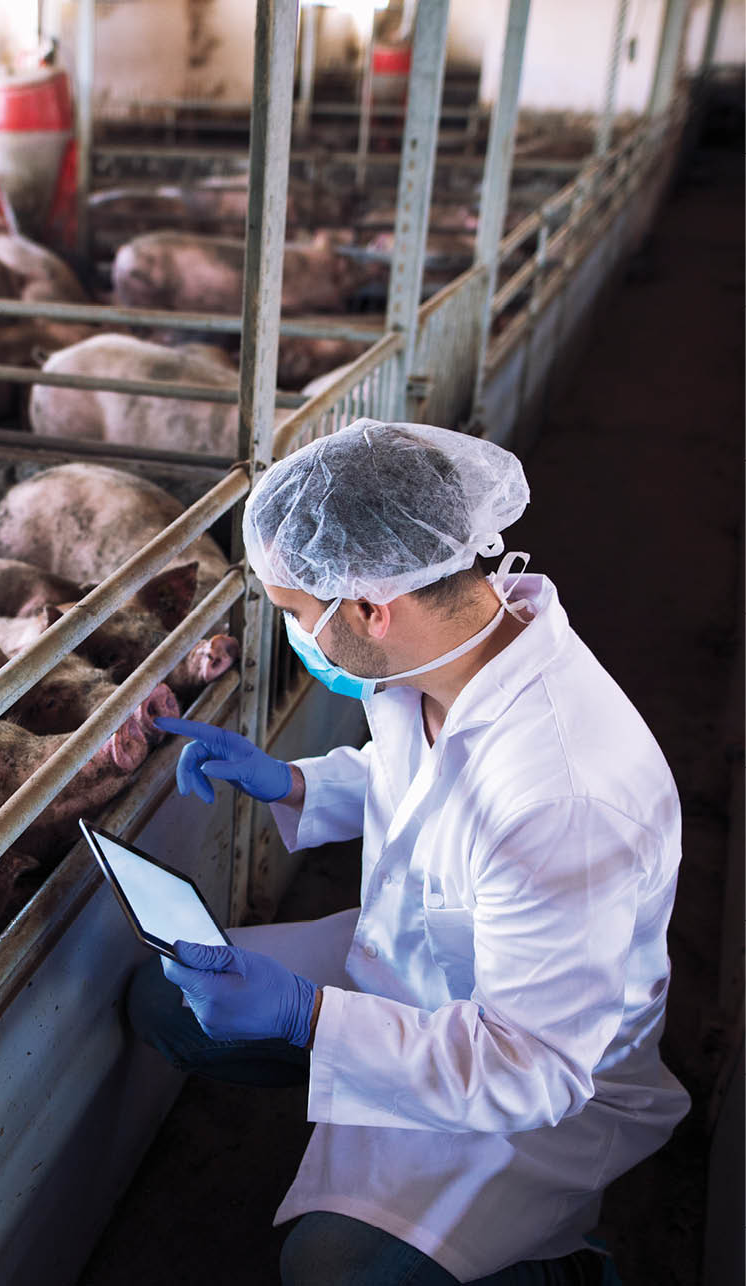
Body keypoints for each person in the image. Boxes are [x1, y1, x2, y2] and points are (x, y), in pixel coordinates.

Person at [134, 419, 689, 1285]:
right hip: (421, 947)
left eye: (293, 615)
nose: (294, 637)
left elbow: (531, 1068)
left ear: (367, 608)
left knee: (328, 1269)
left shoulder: (563, 796)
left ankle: (561, 1268)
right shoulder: (441, 654)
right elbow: (418, 781)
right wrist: (292, 783)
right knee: (167, 997)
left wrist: (307, 1018)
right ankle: (354, 1101)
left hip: (534, 1076)